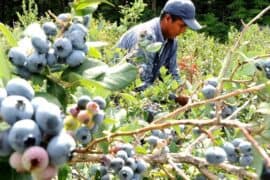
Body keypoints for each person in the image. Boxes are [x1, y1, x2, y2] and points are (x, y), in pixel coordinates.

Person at [117, 0, 202, 92]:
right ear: (168, 18)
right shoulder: (146, 36)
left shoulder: (171, 41)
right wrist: (173, 97)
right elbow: (141, 82)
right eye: (181, 26)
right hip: (121, 91)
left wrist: (181, 91)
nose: (183, 31)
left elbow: (172, 73)